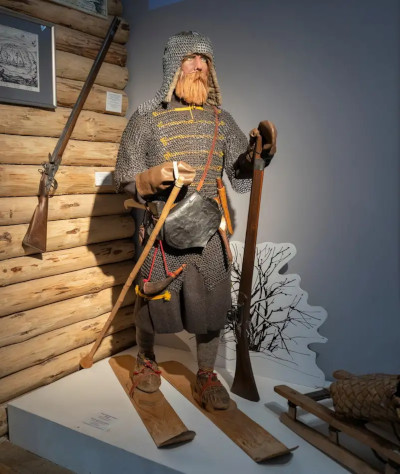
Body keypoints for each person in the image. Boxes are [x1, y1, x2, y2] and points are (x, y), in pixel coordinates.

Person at [114, 31, 274, 410]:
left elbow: (239, 173)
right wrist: (154, 177)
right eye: (191, 59)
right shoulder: (147, 118)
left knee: (212, 304)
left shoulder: (221, 120)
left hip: (207, 232)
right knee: (151, 300)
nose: (199, 66)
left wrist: (256, 155)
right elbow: (124, 178)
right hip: (161, 228)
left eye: (205, 60)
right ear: (174, 66)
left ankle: (205, 374)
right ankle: (145, 360)